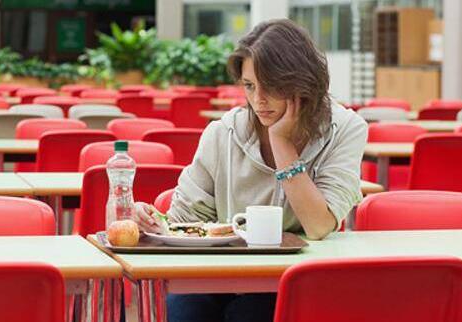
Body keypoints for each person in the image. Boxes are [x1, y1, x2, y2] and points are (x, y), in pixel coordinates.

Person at [133, 19, 368, 322]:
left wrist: (282, 143)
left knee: (249, 313)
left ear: (303, 83)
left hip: (292, 279)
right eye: (249, 86)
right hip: (217, 276)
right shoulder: (223, 132)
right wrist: (154, 221)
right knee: (185, 310)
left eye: (271, 86)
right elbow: (184, 220)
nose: (258, 100)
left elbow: (318, 226)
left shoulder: (345, 130)